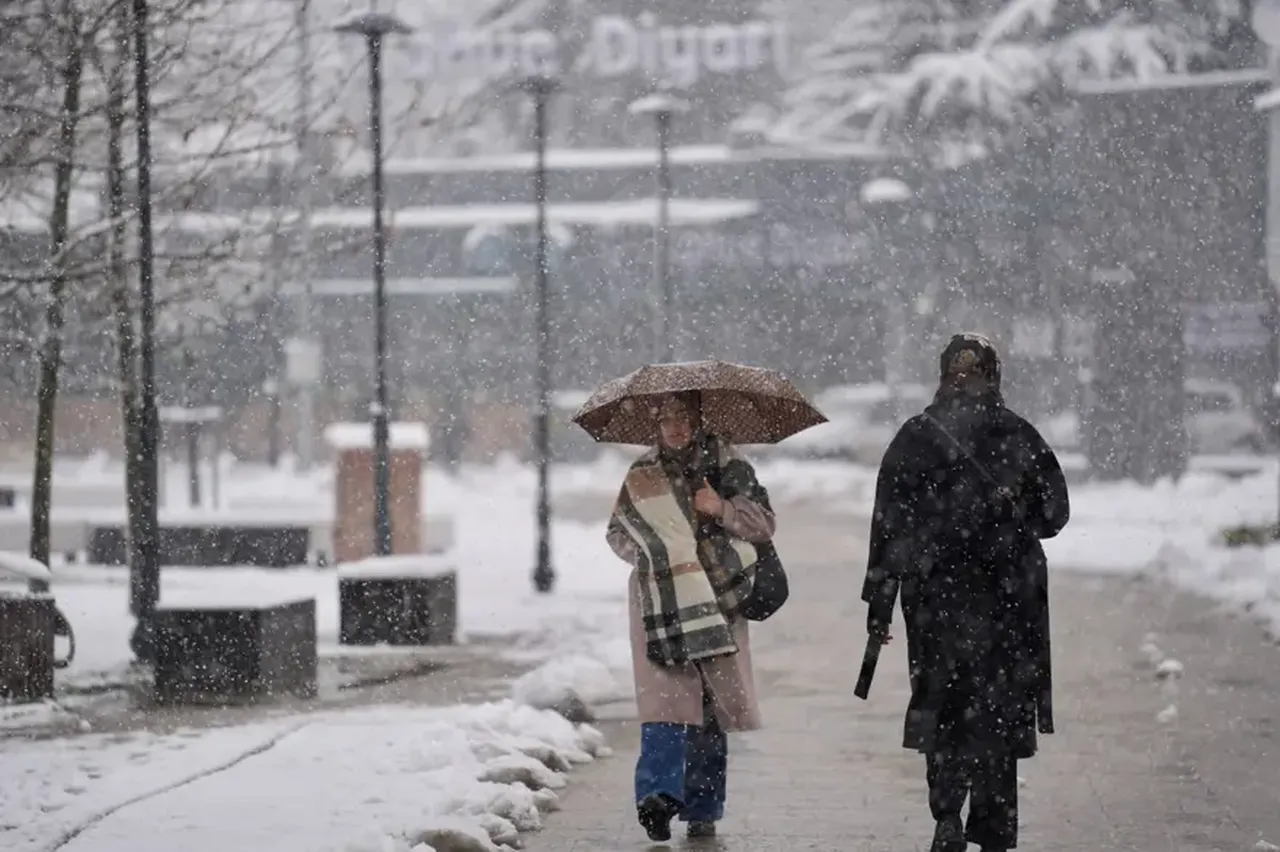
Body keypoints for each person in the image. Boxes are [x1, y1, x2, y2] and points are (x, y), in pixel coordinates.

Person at [861, 333, 1070, 852]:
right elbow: (1054, 516)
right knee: (997, 711)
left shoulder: (915, 437)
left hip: (936, 600)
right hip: (1007, 598)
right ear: (994, 376)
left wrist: (880, 604)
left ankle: (947, 815)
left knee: (944, 704)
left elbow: (889, 526)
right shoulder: (1019, 435)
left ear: (942, 376)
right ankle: (993, 825)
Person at [605, 391, 775, 842]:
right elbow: (618, 533)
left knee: (706, 708)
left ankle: (703, 807)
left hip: (718, 601)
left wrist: (719, 508)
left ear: (698, 420)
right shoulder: (642, 474)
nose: (675, 427)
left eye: (683, 417)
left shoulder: (729, 466)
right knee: (663, 702)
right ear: (655, 425)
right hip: (659, 602)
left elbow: (764, 526)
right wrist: (653, 554)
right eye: (666, 419)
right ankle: (656, 798)